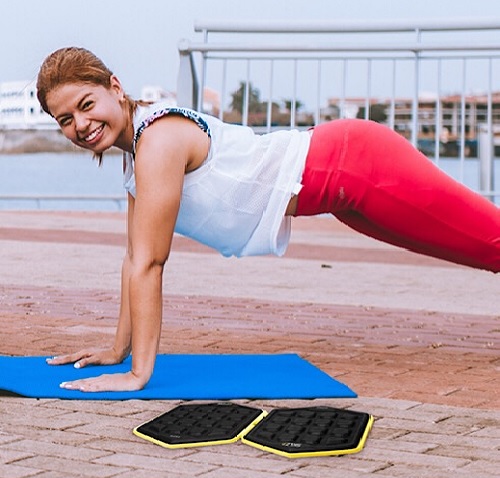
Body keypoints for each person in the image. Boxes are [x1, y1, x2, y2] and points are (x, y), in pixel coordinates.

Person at [36, 47, 500, 393]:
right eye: (64, 119)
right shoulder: (137, 152)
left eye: (86, 104)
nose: (79, 124)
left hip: (356, 164)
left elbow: (151, 265)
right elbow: (133, 258)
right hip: (343, 192)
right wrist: (117, 351)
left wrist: (138, 374)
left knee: (491, 242)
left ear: (115, 87)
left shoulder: (157, 140)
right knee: (482, 251)